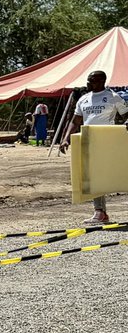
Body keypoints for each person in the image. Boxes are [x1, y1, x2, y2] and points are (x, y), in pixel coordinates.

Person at [70, 70, 128, 225]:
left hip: (107, 142)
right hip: (88, 142)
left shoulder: (113, 97)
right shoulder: (84, 99)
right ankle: (100, 212)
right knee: (94, 176)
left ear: (102, 81)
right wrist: (65, 139)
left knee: (119, 174)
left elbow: (126, 115)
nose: (88, 83)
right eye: (88, 80)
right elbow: (75, 121)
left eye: (92, 80)